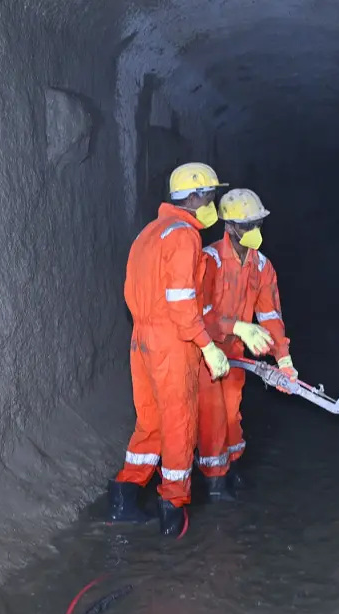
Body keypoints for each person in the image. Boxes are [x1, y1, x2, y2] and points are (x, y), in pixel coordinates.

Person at [110, 162, 232, 536]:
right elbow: (182, 303)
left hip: (141, 339)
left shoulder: (149, 232)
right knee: (179, 423)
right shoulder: (184, 236)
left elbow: (132, 289)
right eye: (210, 195)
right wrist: (207, 346)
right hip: (172, 341)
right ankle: (173, 513)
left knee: (151, 421)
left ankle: (123, 500)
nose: (213, 203)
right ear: (193, 197)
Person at [196, 188, 296, 500]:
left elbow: (270, 315)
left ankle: (232, 470)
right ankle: (213, 484)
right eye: (248, 225)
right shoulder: (209, 260)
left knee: (231, 415)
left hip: (236, 353)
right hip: (206, 352)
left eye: (258, 224)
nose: (255, 231)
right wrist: (237, 327)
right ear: (230, 226)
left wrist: (284, 361)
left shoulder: (262, 267)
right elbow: (199, 314)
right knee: (212, 415)